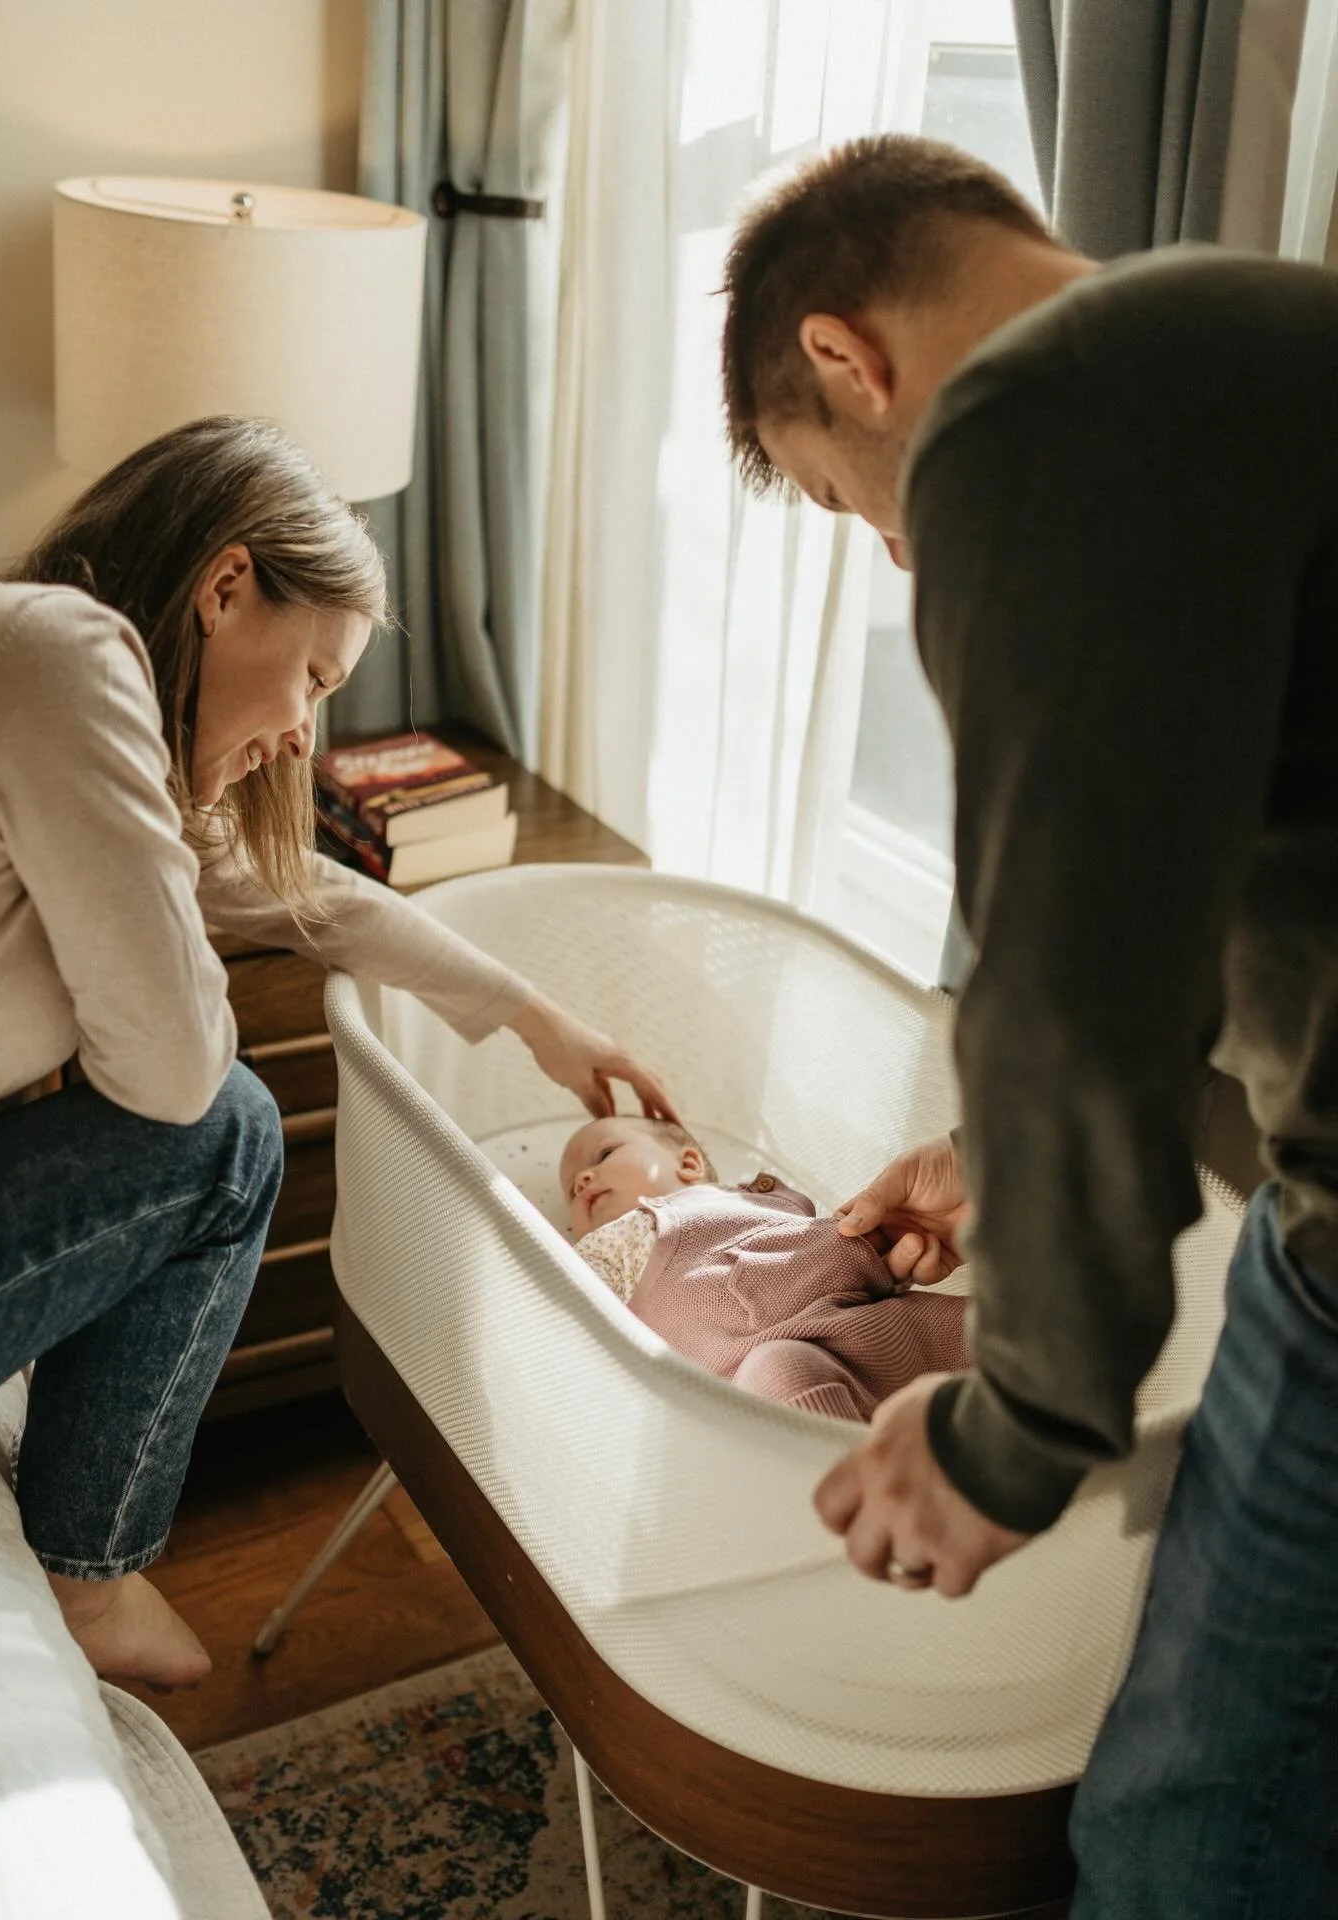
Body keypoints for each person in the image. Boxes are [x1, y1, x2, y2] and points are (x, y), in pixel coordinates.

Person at [718, 133, 1338, 1915]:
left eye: (844, 498)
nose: (897, 545)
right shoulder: (1264, 340)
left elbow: (1067, 979)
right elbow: (1204, 884)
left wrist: (1019, 1428)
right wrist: (992, 1154)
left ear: (847, 357)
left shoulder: (1030, 414)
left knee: (1192, 1824)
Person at [0, 416, 671, 1690]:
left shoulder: (8, 649)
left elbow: (301, 895)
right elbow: (172, 1078)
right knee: (233, 1134)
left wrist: (537, 1018)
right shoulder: (63, 656)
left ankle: (89, 1573)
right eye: (313, 677)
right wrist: (177, 869)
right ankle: (88, 1575)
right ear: (224, 585)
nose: (309, 735)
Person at [560, 1115, 967, 1419]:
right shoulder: (604, 1249)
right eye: (570, 1189)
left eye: (605, 1154)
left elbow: (823, 1247)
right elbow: (562, 1316)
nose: (582, 1180)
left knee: (983, 1336)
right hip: (754, 1377)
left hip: (865, 1323)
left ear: (689, 1164)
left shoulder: (754, 1203)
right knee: (780, 1373)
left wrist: (873, 1254)